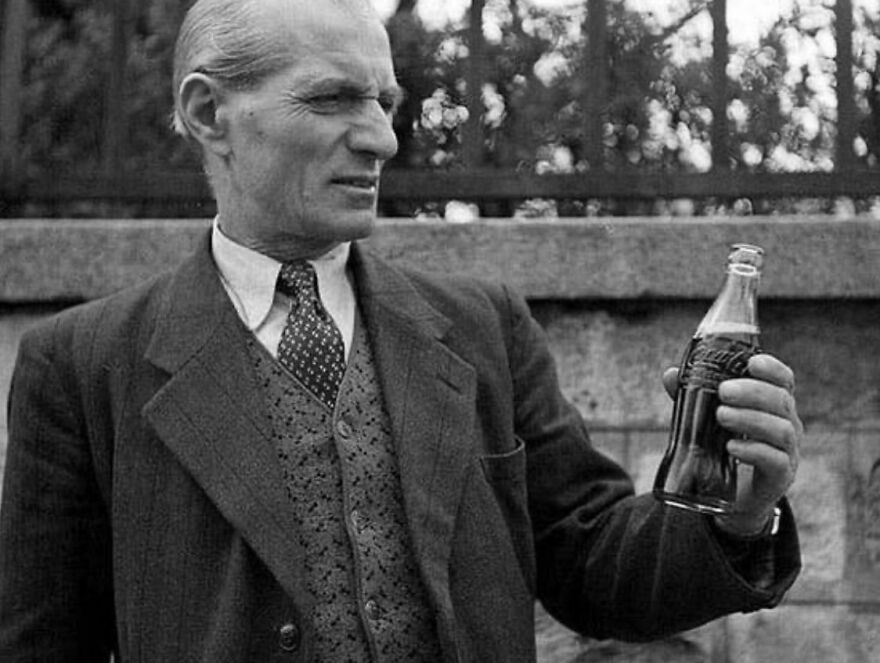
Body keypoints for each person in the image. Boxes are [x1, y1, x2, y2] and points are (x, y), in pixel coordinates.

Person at [0, 0, 802, 660]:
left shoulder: (481, 325)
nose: (382, 138)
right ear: (209, 113)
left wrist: (737, 517)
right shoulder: (81, 365)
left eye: (384, 103)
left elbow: (591, 563)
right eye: (331, 99)